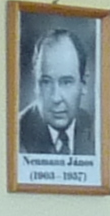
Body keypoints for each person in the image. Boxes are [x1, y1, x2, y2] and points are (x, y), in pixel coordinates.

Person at [18, 24, 91, 157]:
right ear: (35, 83)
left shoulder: (97, 129)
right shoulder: (15, 133)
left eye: (66, 82)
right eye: (46, 82)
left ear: (83, 83)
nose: (55, 98)